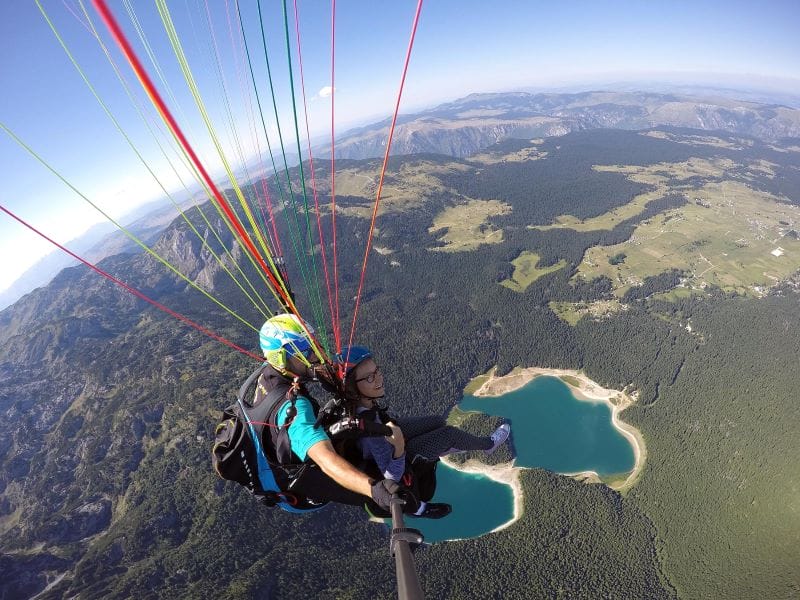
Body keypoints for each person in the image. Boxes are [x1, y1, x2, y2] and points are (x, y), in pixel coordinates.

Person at [252, 314, 413, 515]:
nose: (314, 354)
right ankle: (419, 508)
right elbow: (325, 459)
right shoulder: (295, 409)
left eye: (313, 344)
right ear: (281, 359)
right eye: (304, 351)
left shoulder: (270, 371)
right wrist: (373, 489)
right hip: (300, 490)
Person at [338, 346, 511, 518]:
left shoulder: (359, 405)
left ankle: (444, 447)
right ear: (353, 387)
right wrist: (399, 449)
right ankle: (489, 445)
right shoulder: (371, 432)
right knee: (448, 434)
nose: (379, 379)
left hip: (389, 434)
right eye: (370, 377)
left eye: (377, 371)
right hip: (402, 459)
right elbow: (391, 477)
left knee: (437, 421)